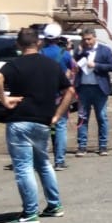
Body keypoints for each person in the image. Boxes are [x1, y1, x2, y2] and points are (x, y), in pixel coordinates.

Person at [0, 27, 75, 223]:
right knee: (43, 164)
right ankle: (54, 205)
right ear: (39, 43)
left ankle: (30, 212)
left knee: (23, 167)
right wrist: (57, 115)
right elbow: (69, 91)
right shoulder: (52, 66)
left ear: (18, 45)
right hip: (43, 121)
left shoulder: (15, 64)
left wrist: (4, 100)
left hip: (20, 120)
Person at [39, 24, 77, 170]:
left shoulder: (40, 53)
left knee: (45, 127)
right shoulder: (65, 54)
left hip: (43, 96)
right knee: (60, 127)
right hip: (60, 97)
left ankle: (43, 160)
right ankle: (59, 161)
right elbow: (74, 69)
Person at [74, 27, 112, 156]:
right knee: (82, 118)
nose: (87, 42)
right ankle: (82, 146)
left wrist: (96, 65)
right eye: (84, 39)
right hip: (83, 89)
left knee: (102, 117)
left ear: (94, 37)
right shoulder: (80, 51)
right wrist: (78, 54)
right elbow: (74, 64)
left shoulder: (105, 50)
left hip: (99, 89)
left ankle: (103, 146)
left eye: (89, 39)